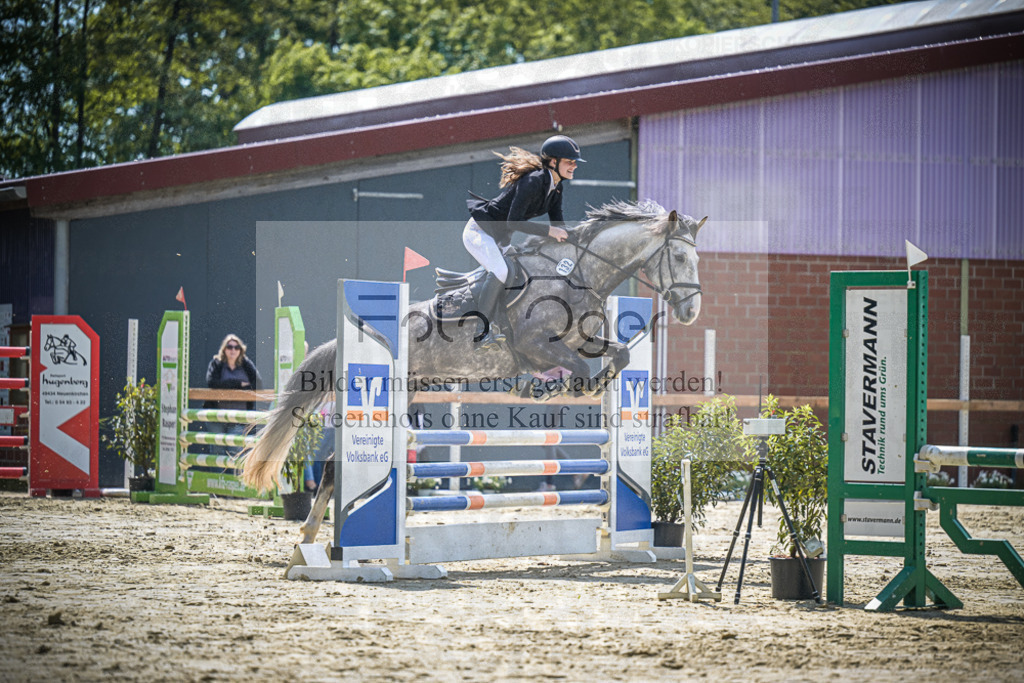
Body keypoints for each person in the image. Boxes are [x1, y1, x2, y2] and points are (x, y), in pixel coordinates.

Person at [464, 134, 584, 349]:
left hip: (499, 239)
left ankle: (502, 323)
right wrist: (550, 231)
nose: (574, 166)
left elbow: (560, 225)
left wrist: (582, 236)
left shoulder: (557, 187)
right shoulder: (533, 181)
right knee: (500, 272)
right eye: (569, 161)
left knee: (519, 273)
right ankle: (480, 332)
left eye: (575, 162)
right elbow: (513, 222)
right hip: (479, 232)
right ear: (553, 162)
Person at [206, 334, 263, 455]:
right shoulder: (217, 363)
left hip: (238, 417)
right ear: (224, 349)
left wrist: (240, 386)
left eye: (236, 347)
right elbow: (212, 383)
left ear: (241, 350)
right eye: (229, 347)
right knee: (217, 452)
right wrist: (238, 384)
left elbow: (258, 384)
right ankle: (217, 475)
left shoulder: (245, 364)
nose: (233, 350)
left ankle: (234, 475)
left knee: (235, 452)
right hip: (217, 416)